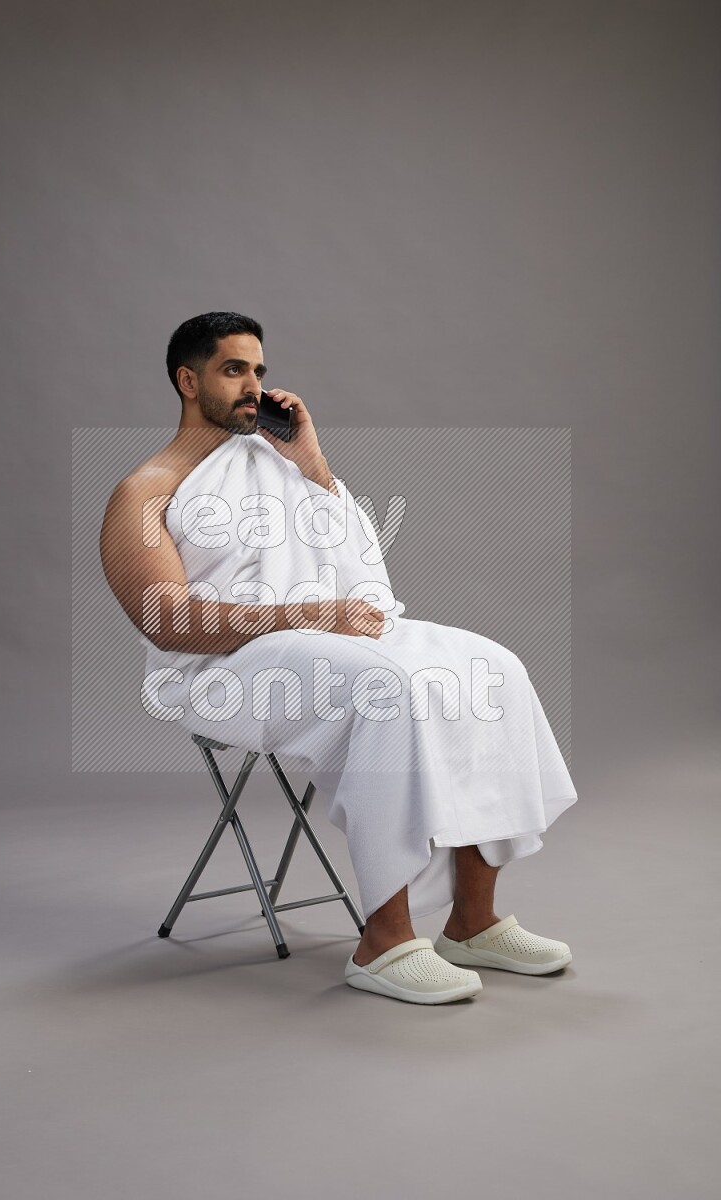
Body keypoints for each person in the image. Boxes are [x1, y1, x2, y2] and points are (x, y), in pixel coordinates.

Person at [100, 311, 578, 1005]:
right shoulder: (143, 491)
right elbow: (167, 622)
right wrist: (310, 616)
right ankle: (383, 941)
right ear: (187, 379)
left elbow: (358, 572)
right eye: (234, 370)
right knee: (386, 688)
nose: (254, 386)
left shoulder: (278, 462)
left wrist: (313, 465)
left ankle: (473, 922)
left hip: (324, 636)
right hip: (224, 669)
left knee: (492, 669)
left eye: (258, 371)